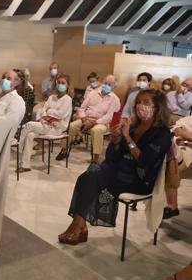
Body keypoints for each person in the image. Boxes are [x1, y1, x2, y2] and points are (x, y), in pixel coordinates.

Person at [58, 89, 171, 245]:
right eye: (138, 102)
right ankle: (79, 225)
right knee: (91, 172)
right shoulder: (132, 125)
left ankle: (78, 226)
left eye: (146, 103)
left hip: (138, 179)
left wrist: (127, 137)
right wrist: (116, 140)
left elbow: (144, 161)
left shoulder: (162, 133)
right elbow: (112, 157)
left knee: (93, 175)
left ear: (157, 107)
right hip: (117, 171)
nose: (140, 106)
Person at [56, 75, 121, 164]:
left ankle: (95, 159)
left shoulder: (115, 99)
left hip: (102, 122)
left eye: (109, 85)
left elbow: (109, 116)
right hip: (86, 118)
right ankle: (64, 150)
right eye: (105, 83)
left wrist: (94, 122)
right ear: (102, 82)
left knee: (97, 130)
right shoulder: (92, 93)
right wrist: (83, 118)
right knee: (71, 126)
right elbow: (82, 108)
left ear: (114, 87)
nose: (106, 86)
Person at [16, 74, 72, 173]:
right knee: (29, 135)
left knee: (29, 125)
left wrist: (50, 112)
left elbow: (60, 114)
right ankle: (25, 165)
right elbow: (42, 110)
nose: (60, 85)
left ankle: (19, 147)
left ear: (67, 85)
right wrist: (44, 116)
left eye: (63, 83)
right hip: (46, 124)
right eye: (58, 83)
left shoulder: (68, 99)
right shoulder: (52, 97)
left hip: (57, 128)